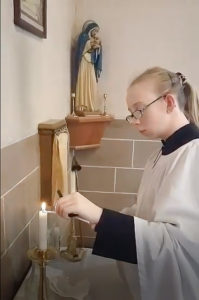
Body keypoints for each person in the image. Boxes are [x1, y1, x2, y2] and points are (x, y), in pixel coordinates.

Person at [56, 67, 199, 300]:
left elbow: (180, 248)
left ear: (169, 102)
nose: (134, 121)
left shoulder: (194, 156)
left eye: (139, 110)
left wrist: (100, 216)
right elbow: (146, 214)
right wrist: (100, 220)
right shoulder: (161, 154)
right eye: (132, 113)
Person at [75, 21, 102, 112]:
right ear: (90, 29)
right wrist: (92, 44)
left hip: (90, 63)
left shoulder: (92, 39)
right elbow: (82, 49)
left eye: (96, 32)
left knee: (92, 83)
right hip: (84, 62)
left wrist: (98, 48)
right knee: (83, 82)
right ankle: (82, 106)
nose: (95, 33)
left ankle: (91, 106)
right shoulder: (83, 36)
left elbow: (95, 53)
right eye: (94, 31)